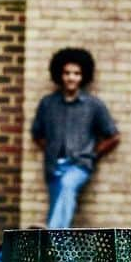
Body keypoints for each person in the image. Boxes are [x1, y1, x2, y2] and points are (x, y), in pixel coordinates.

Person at [31, 48, 119, 229]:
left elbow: (113, 136)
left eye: (76, 74)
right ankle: (60, 253)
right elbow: (37, 134)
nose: (71, 78)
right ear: (60, 75)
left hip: (80, 165)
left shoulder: (93, 105)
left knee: (67, 185)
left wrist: (92, 154)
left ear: (83, 76)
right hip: (53, 167)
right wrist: (51, 150)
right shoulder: (48, 104)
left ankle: (51, 233)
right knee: (59, 205)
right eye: (67, 73)